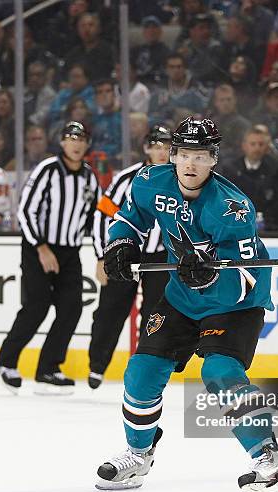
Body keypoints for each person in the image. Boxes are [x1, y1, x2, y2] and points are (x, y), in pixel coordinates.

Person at [95, 117, 278, 492]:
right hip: (181, 298)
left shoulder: (232, 208)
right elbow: (128, 220)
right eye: (184, 154)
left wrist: (207, 273)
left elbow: (245, 280)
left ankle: (271, 462)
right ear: (172, 155)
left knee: (220, 371)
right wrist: (121, 245)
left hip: (236, 303)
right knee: (141, 372)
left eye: (200, 156)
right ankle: (138, 455)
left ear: (214, 159)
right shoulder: (150, 182)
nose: (190, 164)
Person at [0, 122, 102, 394]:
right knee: (37, 306)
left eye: (82, 138)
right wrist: (42, 248)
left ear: (87, 144)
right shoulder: (47, 170)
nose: (76, 143)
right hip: (38, 248)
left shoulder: (90, 177)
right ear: (62, 142)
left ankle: (48, 369)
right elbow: (25, 211)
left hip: (70, 252)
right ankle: (5, 364)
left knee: (71, 308)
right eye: (71, 138)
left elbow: (96, 215)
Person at [88, 125, 172, 390]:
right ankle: (97, 366)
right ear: (146, 148)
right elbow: (103, 215)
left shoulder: (179, 178)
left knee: (155, 315)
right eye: (157, 146)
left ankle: (145, 368)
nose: (162, 152)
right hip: (126, 252)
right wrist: (103, 254)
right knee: (110, 311)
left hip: (162, 257)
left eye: (167, 147)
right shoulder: (127, 178)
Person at [222, 126, 278, 230]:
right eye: (253, 144)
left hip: (268, 227)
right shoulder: (231, 169)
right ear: (244, 146)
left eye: (261, 144)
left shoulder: (276, 169)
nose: (257, 148)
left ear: (267, 148)